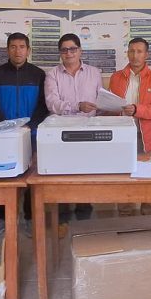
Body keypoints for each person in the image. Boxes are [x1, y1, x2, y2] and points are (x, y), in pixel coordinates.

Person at [0, 32, 49, 238]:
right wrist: (5, 124)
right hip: (3, 135)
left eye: (22, 47)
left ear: (28, 50)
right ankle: (2, 217)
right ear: (7, 50)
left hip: (31, 133)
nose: (17, 51)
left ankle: (30, 218)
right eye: (13, 47)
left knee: (31, 177)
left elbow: (43, 105)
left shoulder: (38, 74)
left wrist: (30, 125)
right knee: (0, 176)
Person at [45, 33, 101, 225]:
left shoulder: (94, 72)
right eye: (64, 50)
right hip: (62, 134)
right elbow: (52, 103)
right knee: (61, 175)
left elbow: (100, 100)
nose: (69, 53)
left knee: (85, 174)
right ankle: (62, 219)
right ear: (60, 53)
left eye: (72, 49)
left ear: (80, 50)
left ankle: (84, 217)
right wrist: (77, 106)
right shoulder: (52, 74)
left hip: (89, 132)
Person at [108, 37, 151, 216]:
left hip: (146, 136)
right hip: (121, 136)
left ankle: (147, 212)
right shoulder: (116, 77)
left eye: (139, 51)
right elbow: (110, 105)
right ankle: (125, 213)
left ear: (147, 54)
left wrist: (136, 109)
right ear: (127, 53)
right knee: (123, 176)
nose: (135, 55)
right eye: (132, 51)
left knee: (148, 177)